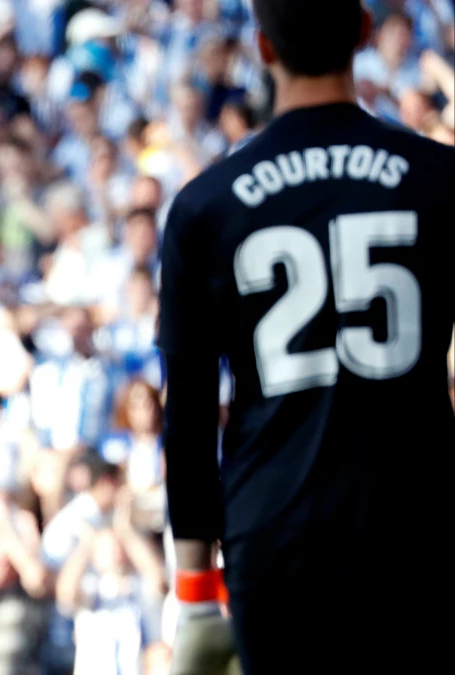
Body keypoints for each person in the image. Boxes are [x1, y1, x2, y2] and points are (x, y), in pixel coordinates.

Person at [159, 2, 455, 674]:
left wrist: (198, 594)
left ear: (263, 47)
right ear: (361, 33)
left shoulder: (208, 205)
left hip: (276, 538)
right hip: (416, 532)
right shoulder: (441, 179)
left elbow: (190, 413)